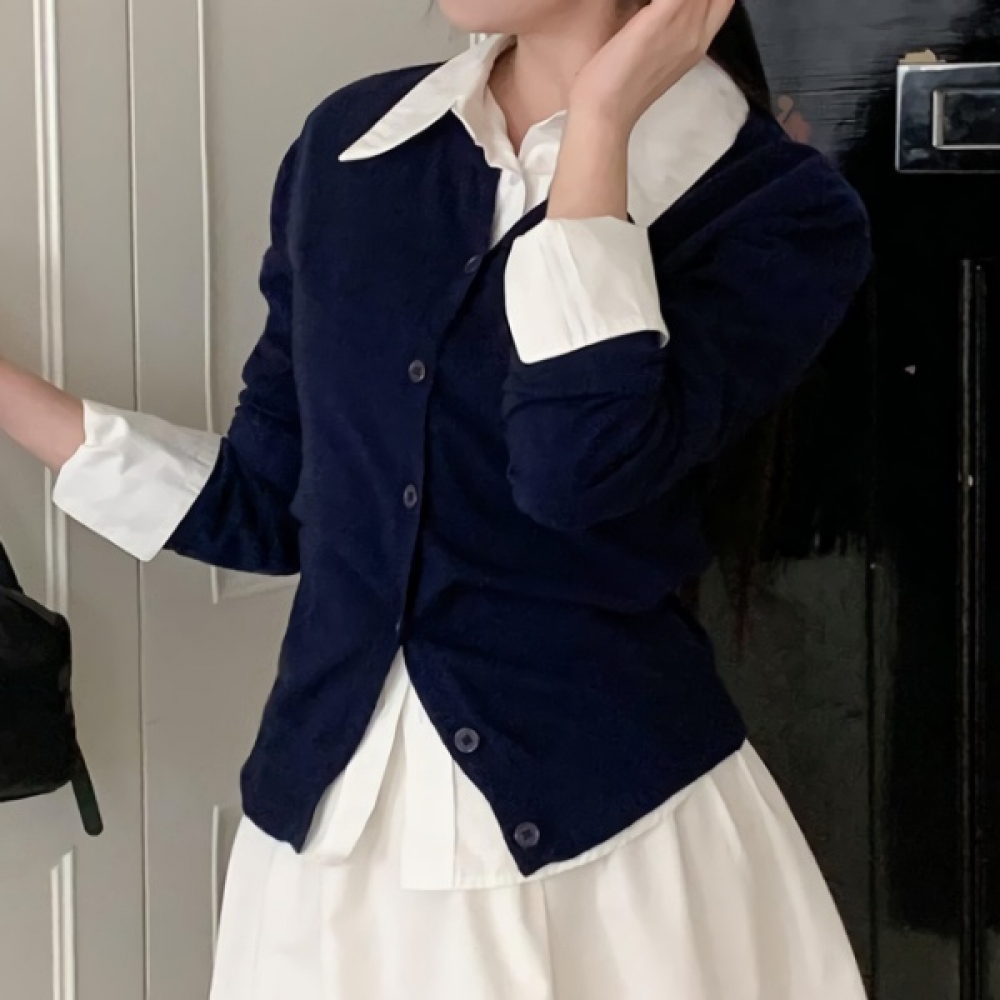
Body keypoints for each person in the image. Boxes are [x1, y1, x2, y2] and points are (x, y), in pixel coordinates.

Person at [0, 0, 873, 996]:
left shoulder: (773, 209)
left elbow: (576, 471)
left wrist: (598, 129)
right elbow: (274, 499)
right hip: (327, 858)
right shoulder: (350, 147)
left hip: (609, 870)